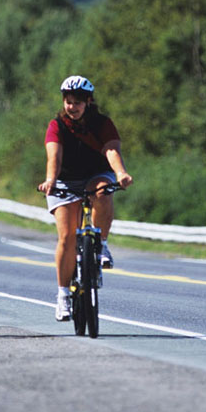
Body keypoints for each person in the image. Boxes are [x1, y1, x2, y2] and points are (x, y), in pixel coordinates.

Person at [38, 75, 133, 321]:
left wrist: (121, 173)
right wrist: (50, 180)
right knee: (67, 236)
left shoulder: (102, 123)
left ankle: (101, 244)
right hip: (65, 181)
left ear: (88, 102)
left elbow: (111, 150)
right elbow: (54, 157)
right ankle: (62, 296)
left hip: (95, 174)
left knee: (102, 190)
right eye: (68, 102)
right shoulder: (57, 125)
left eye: (78, 102)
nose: (72, 107)